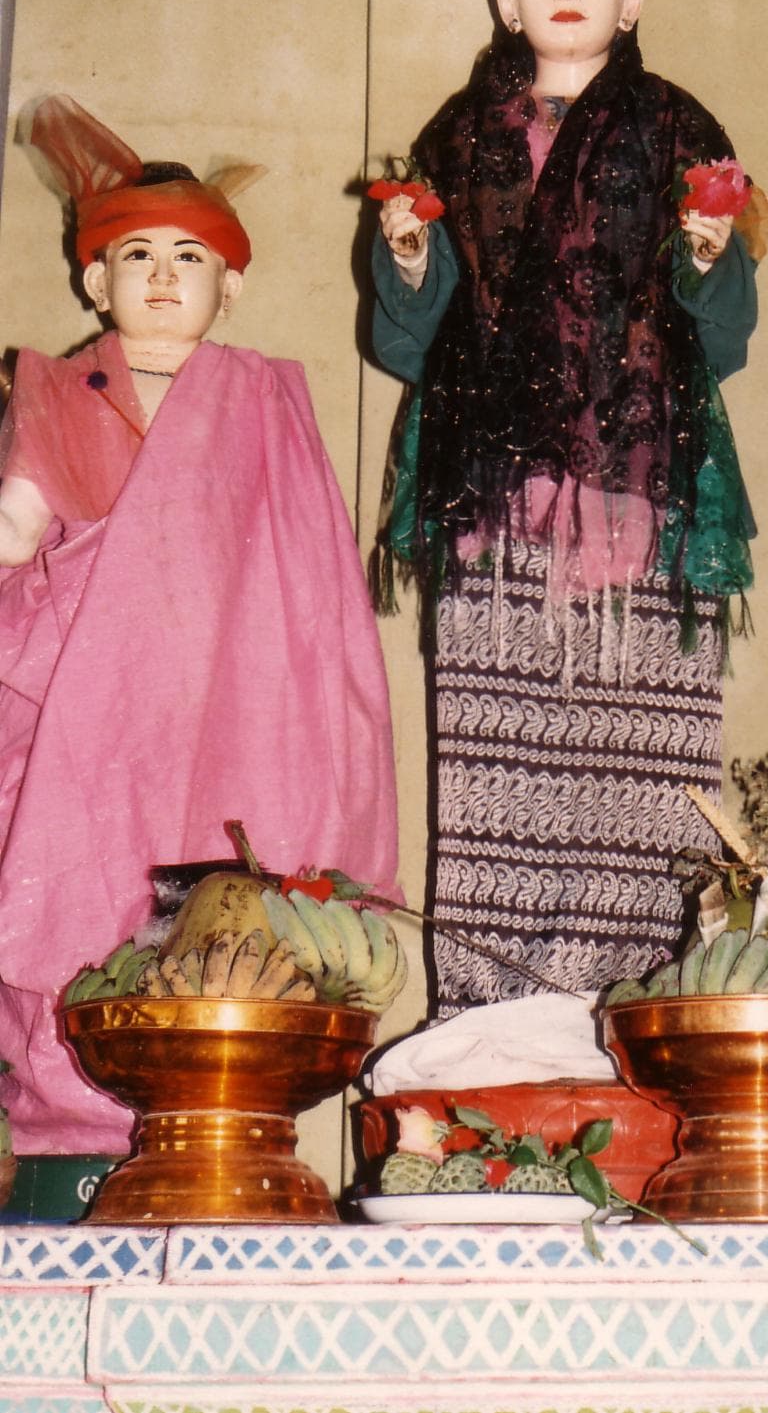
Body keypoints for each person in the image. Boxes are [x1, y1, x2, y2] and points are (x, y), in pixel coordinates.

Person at [371, 0, 763, 1015]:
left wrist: (705, 260)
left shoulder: (680, 130)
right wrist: (404, 260)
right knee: (493, 769)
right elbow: (404, 343)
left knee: (644, 780)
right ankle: (488, 1051)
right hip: (494, 495)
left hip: (642, 492)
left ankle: (633, 1036)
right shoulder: (457, 139)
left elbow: (725, 335)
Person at [0, 95, 399, 1154]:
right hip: (80, 705)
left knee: (217, 927)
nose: (164, 276)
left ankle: (215, 1137)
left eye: (190, 256)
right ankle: (63, 1147)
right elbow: (17, 527)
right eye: (136, 256)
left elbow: (308, 586)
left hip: (226, 713)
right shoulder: (53, 388)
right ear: (96, 280)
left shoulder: (265, 401)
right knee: (75, 910)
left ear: (232, 284)